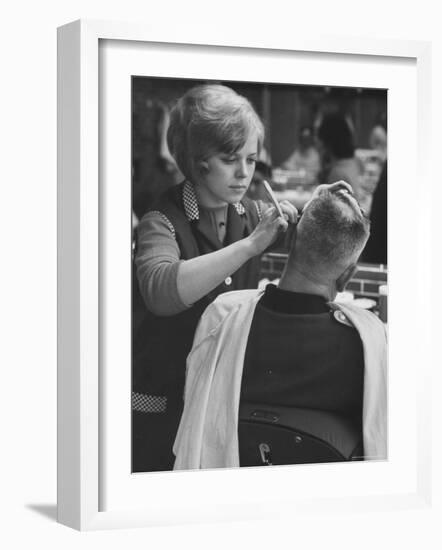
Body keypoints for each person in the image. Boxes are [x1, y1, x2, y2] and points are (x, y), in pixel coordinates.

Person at [132, 84, 297, 472]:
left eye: (252, 160)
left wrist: (313, 216)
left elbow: (302, 238)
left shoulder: (251, 213)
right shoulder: (162, 220)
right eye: (229, 159)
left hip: (214, 401)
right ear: (196, 159)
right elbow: (160, 289)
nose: (244, 173)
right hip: (160, 406)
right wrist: (249, 246)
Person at [174, 181, 387, 470]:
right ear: (347, 275)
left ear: (288, 241)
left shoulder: (221, 319)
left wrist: (314, 211)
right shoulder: (369, 344)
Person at [317, 113, 364, 200]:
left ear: (327, 141)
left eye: (319, 137)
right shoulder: (352, 161)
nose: (317, 142)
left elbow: (329, 209)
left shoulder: (337, 173)